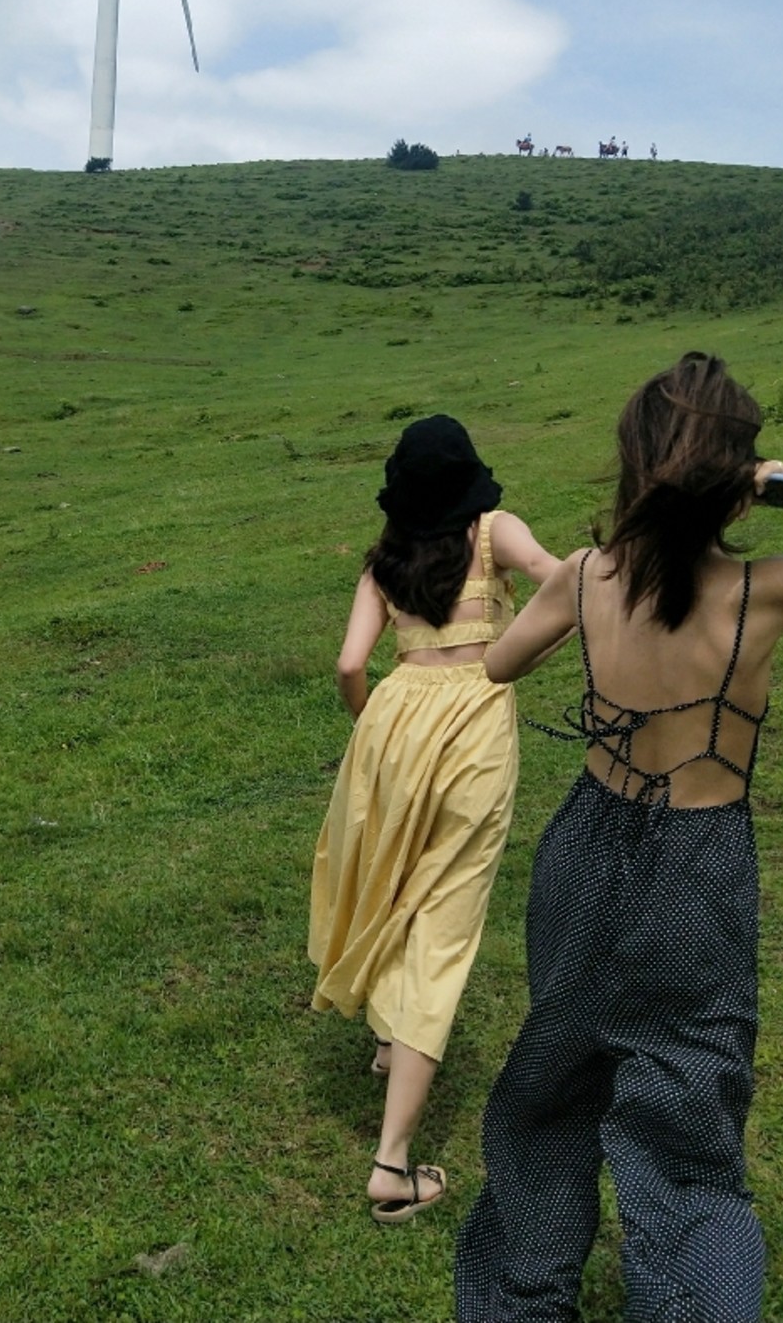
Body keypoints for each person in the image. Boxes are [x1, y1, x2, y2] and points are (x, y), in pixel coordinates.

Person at [454, 352, 783, 1322]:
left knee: (549, 1081)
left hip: (585, 844)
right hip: (698, 862)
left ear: (630, 464)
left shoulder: (583, 575)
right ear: (736, 482)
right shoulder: (762, 589)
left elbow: (498, 666)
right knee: (685, 1115)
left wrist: (577, 588)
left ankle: (521, 1298)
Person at [308, 416, 561, 1223]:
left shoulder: (381, 561)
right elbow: (568, 587)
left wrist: (372, 724)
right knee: (444, 921)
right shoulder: (496, 533)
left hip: (394, 717)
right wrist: (518, 650)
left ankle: (387, 1039)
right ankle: (391, 1163)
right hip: (476, 722)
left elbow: (350, 664)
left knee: (389, 882)